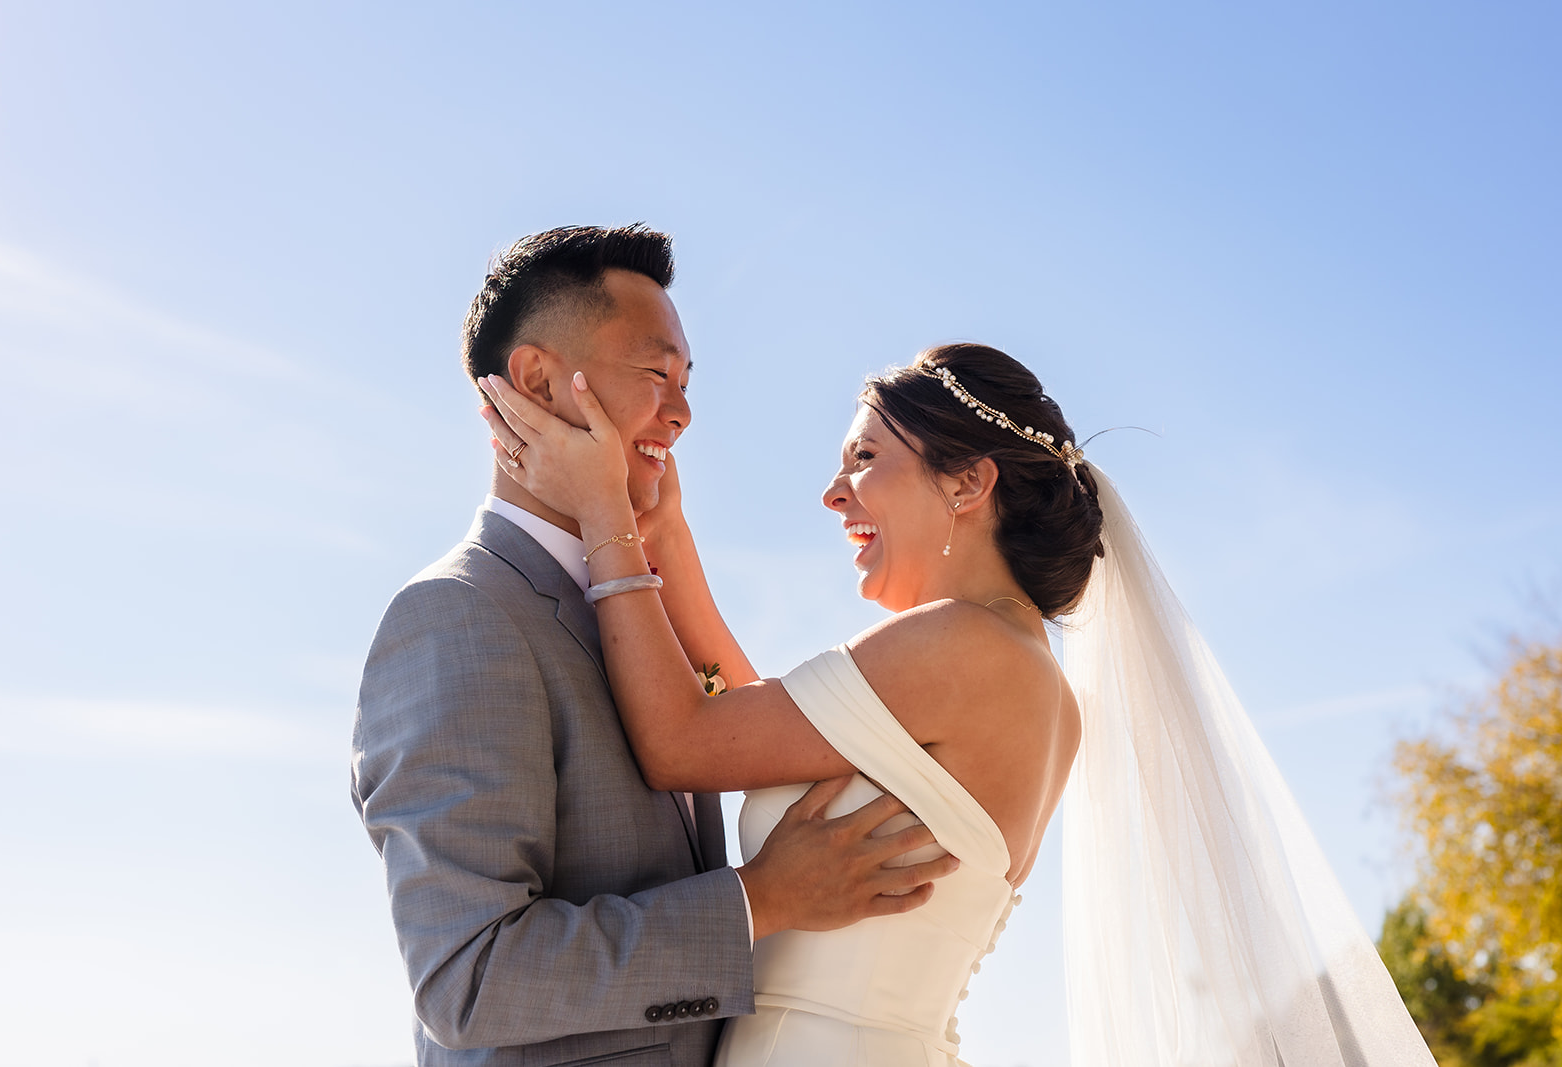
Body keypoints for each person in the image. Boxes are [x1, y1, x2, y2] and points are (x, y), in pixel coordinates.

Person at [480, 340, 1439, 1067]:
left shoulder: (963, 647)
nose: (831, 492)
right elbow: (756, 712)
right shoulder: (1016, 668)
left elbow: (685, 742)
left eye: (863, 458)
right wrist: (671, 538)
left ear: (969, 481)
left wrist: (605, 512)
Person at [350, 224, 957, 1067]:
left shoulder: (633, 606)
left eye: (686, 381)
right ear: (536, 381)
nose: (682, 410)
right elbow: (469, 978)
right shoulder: (456, 616)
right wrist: (761, 898)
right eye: (655, 374)